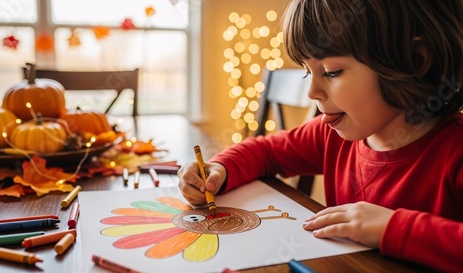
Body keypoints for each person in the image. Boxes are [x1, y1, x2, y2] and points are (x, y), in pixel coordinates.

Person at [178, 0, 463, 271]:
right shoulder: (332, 136)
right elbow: (268, 151)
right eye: (307, 72)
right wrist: (220, 168)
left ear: (414, 60)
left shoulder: (454, 151)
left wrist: (394, 229)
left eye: (331, 71)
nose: (312, 92)